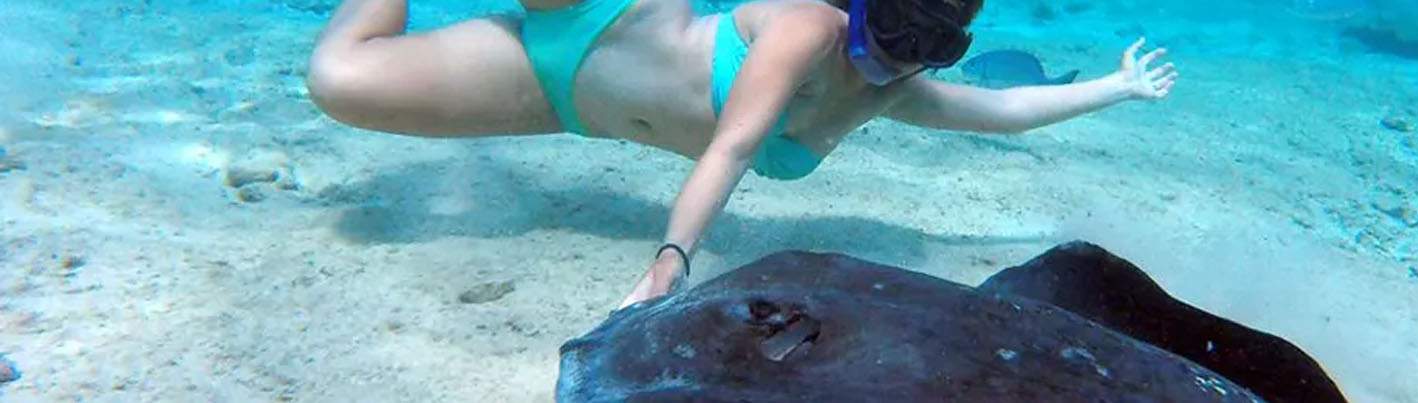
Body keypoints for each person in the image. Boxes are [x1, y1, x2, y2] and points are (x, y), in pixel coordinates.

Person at [305, 0, 1178, 309]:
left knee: (337, 80)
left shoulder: (892, 90)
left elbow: (1007, 107)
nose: (894, 54)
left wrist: (1115, 87)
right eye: (893, 24)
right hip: (612, 16)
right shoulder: (808, 27)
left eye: (930, 44)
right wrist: (671, 261)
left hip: (561, 95)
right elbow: (729, 149)